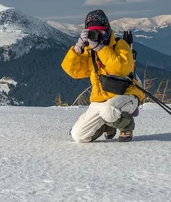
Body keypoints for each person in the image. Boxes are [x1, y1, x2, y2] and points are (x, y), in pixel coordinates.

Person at [61, 9, 144, 142]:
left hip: (126, 95)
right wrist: (78, 48)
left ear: (108, 29)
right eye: (94, 32)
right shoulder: (88, 51)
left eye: (101, 30)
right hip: (100, 99)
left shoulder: (120, 45)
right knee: (78, 136)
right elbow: (73, 71)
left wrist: (100, 49)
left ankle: (126, 125)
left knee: (108, 110)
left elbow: (121, 69)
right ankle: (106, 125)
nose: (98, 34)